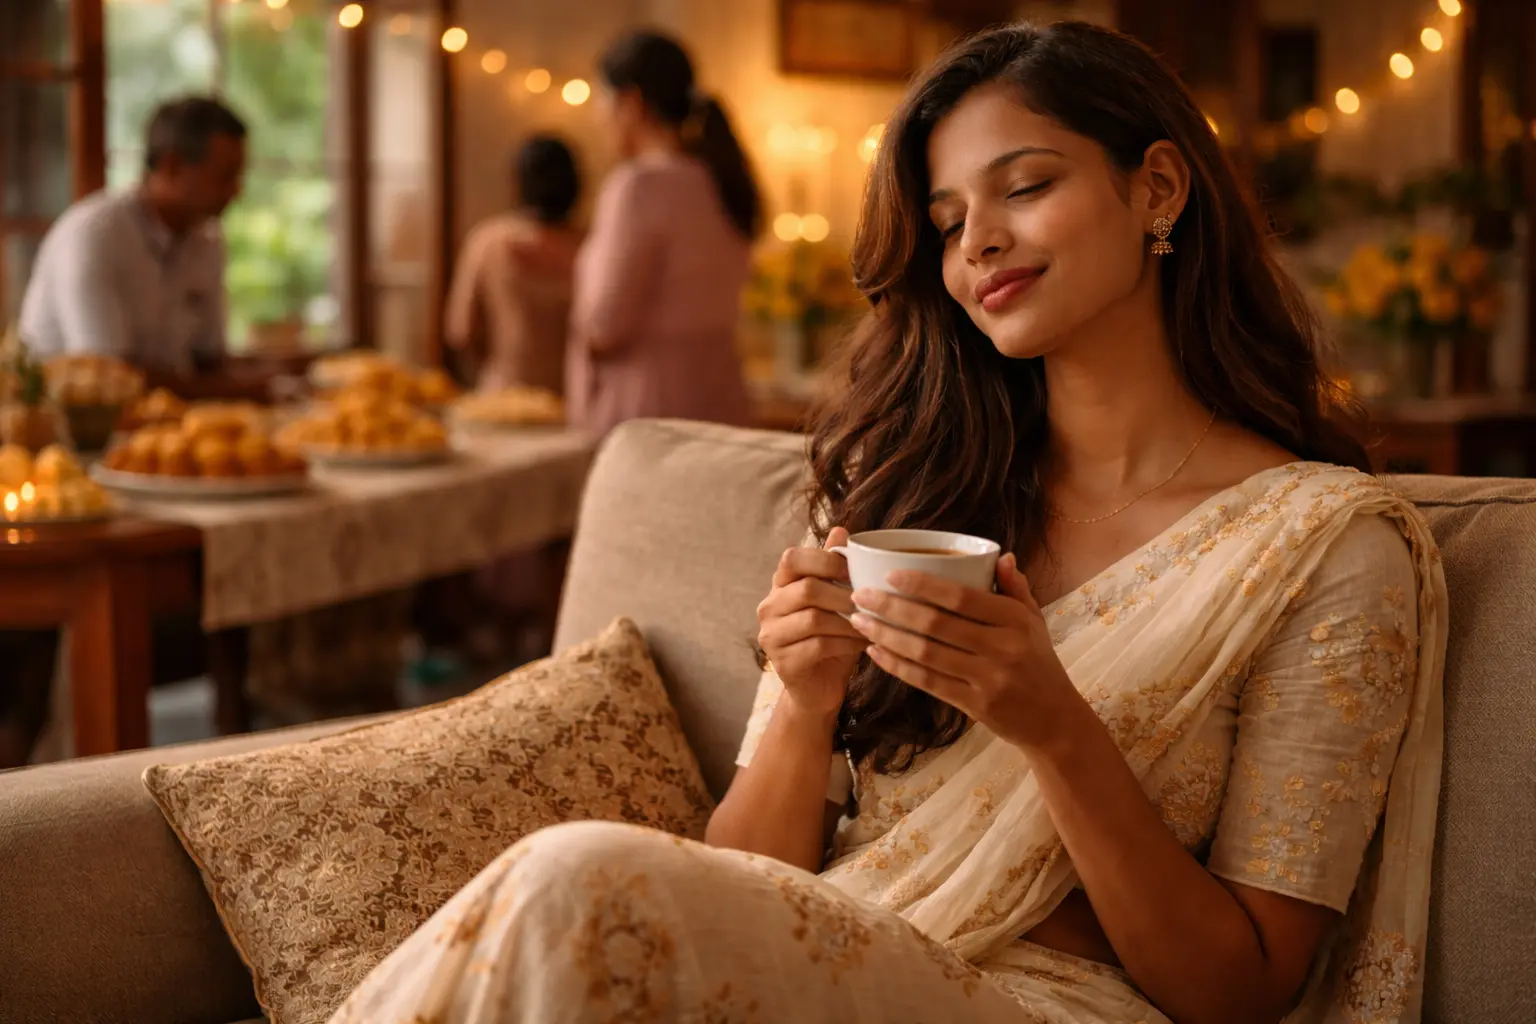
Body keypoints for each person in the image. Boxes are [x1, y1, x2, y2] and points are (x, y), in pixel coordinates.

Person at [330, 22, 1447, 1024]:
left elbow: (1243, 988)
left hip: (1049, 1004)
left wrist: (1054, 725)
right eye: (950, 221)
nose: (978, 246)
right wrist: (805, 700)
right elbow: (747, 878)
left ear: (1157, 188)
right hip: (817, 960)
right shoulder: (909, 494)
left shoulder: (1323, 546)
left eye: (1026, 186)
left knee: (575, 880)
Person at [565, 30, 760, 437]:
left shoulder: (638, 186)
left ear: (631, 102)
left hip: (648, 414)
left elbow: (603, 323)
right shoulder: (722, 179)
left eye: (602, 99)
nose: (599, 115)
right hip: (720, 402)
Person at [19, 96, 265, 400]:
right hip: (64, 432)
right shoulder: (95, 237)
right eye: (225, 177)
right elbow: (110, 376)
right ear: (171, 166)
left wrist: (264, 377)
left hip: (156, 423)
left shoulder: (207, 240)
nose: (236, 191)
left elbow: (208, 358)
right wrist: (245, 388)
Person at [444, 135, 583, 395]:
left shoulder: (489, 242)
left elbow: (460, 330)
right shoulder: (592, 247)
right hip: (574, 399)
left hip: (504, 397)